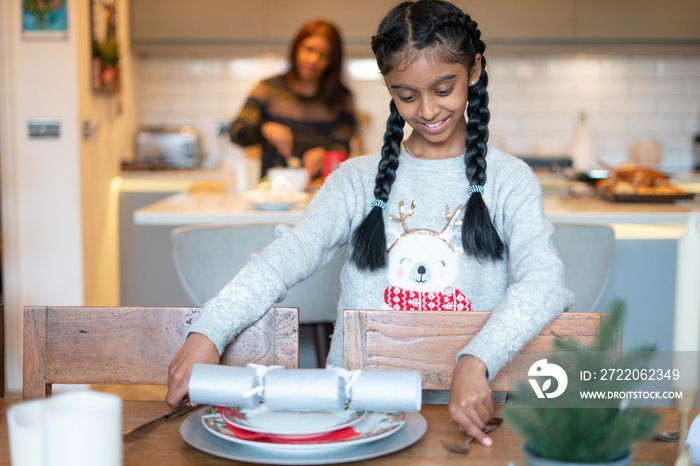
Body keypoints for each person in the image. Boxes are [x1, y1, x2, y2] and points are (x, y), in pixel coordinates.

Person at [167, 0, 573, 447]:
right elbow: (285, 258)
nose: (427, 111)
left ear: (474, 70)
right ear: (388, 87)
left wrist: (476, 360)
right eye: (406, 95)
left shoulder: (508, 180)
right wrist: (208, 330)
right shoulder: (356, 180)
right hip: (352, 420)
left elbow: (545, 282)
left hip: (461, 423)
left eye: (443, 89)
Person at [228, 19, 357, 179]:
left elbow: (342, 143)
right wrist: (263, 129)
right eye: (309, 49)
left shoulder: (341, 97)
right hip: (272, 190)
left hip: (321, 188)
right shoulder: (267, 89)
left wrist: (326, 153)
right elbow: (236, 132)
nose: (313, 60)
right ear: (296, 48)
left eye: (323, 55)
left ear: (332, 62)